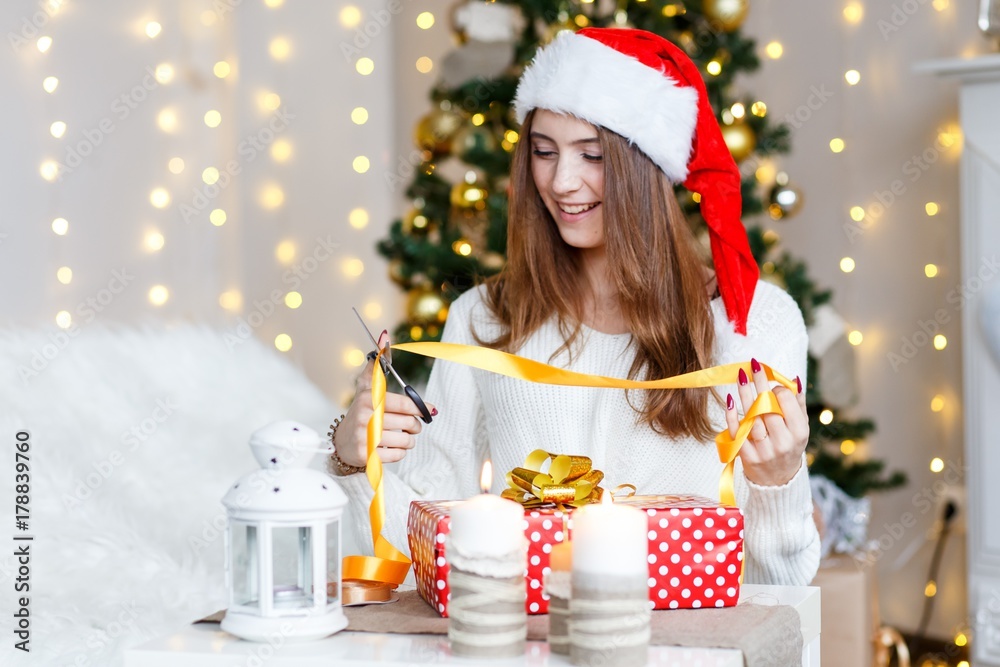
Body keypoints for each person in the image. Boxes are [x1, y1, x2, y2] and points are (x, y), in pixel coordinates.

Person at [331, 27, 819, 586]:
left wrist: (779, 482)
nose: (561, 181)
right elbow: (420, 551)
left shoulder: (755, 325)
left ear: (647, 166)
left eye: (592, 154)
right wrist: (352, 459)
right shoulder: (484, 318)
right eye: (543, 151)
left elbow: (779, 588)